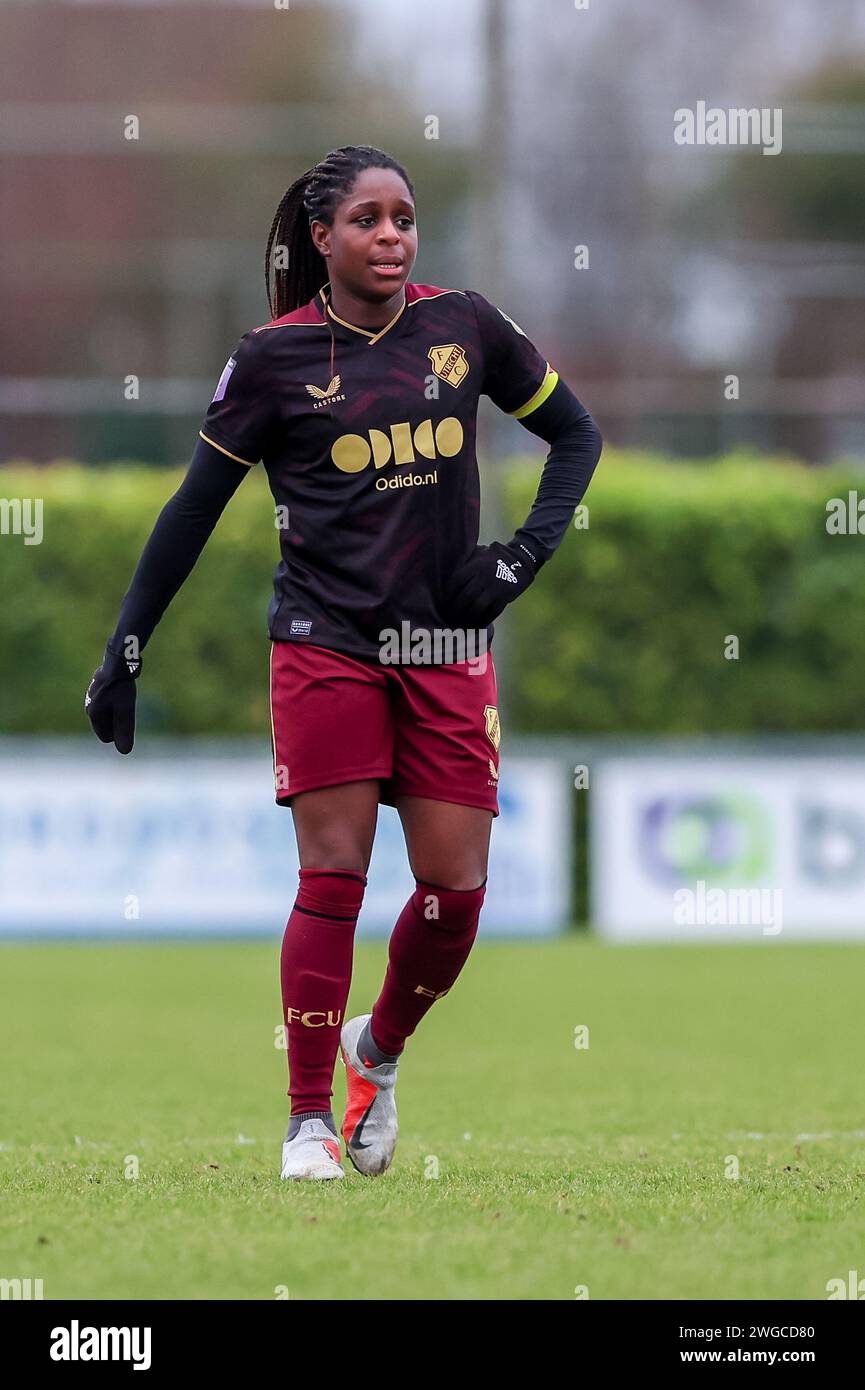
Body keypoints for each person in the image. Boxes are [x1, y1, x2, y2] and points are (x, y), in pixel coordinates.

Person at [85, 144, 602, 1182]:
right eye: (367, 220)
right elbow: (192, 510)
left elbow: (575, 437)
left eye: (403, 218)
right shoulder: (273, 359)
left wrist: (518, 559)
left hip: (445, 648)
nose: (390, 238)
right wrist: (126, 645)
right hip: (324, 643)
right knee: (332, 878)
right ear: (320, 239)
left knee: (454, 895)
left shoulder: (465, 327)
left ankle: (380, 1050)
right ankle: (304, 1123)